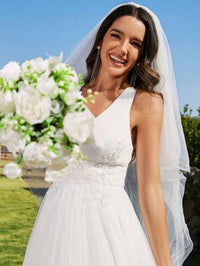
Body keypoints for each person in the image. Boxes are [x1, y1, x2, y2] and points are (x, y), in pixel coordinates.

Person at [22, 2, 193, 266]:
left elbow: (150, 189)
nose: (123, 49)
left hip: (110, 226)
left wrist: (164, 263)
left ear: (142, 54)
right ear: (101, 39)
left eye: (135, 43)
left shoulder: (145, 103)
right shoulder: (65, 94)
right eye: (116, 35)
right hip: (56, 221)